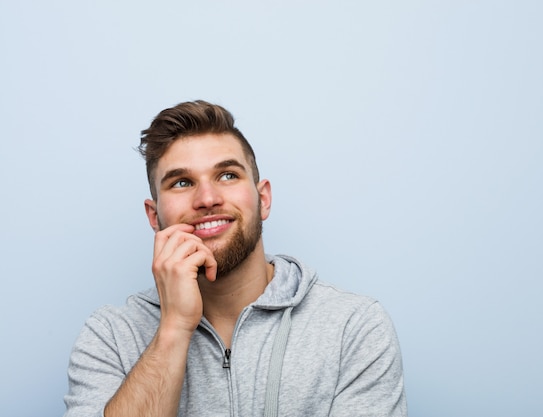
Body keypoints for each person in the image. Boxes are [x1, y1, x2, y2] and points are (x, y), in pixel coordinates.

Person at [63, 100, 407, 417]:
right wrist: (174, 328)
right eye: (182, 182)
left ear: (263, 199)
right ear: (154, 217)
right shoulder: (110, 336)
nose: (207, 198)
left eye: (227, 175)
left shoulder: (353, 327)